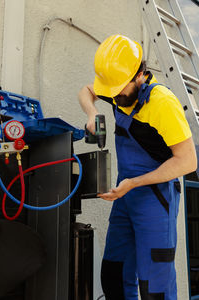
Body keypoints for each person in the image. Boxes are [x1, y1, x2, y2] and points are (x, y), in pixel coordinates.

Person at [78, 34, 197, 300]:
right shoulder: (116, 90)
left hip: (156, 199)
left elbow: (188, 161)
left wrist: (134, 183)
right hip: (125, 194)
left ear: (140, 75)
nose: (114, 96)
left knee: (155, 290)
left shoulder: (163, 104)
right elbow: (86, 91)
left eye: (119, 89)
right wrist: (92, 113)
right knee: (113, 277)